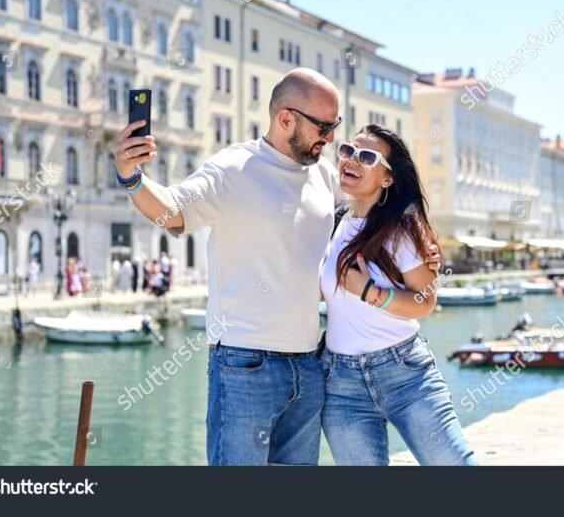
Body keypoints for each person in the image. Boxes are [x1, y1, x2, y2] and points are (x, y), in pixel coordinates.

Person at [114, 68, 439, 466]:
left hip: (309, 365)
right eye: (323, 126)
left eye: (334, 126)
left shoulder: (323, 173)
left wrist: (421, 244)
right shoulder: (232, 168)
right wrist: (131, 176)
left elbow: (379, 196)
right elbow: (169, 211)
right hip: (244, 366)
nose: (332, 138)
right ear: (286, 119)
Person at [319, 125, 477, 466]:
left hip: (404, 374)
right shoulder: (334, 225)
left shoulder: (402, 229)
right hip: (340, 383)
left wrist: (368, 292)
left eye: (366, 156)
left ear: (388, 179)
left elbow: (426, 302)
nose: (351, 159)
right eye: (348, 150)